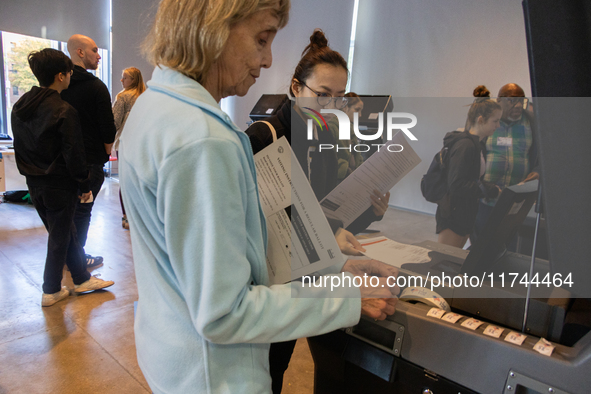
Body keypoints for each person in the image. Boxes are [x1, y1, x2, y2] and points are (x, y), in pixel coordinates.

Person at [119, 2, 398, 393]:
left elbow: (246, 243)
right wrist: (345, 297)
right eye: (262, 39)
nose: (268, 60)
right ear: (213, 29)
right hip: (217, 375)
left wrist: (332, 268)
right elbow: (225, 312)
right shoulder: (204, 140)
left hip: (173, 351)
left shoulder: (156, 106)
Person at [246, 30, 391, 393]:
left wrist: (368, 214)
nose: (331, 105)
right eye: (322, 95)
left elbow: (326, 213)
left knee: (281, 363)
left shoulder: (324, 139)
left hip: (307, 275)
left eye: (339, 97)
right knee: (262, 370)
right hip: (269, 286)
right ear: (296, 88)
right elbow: (259, 224)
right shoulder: (263, 137)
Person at [11, 48, 114, 307]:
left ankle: (80, 278)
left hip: (34, 183)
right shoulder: (63, 110)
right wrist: (83, 184)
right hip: (59, 184)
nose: (70, 77)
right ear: (60, 76)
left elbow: (20, 147)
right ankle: (51, 290)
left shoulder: (20, 106)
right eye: (69, 73)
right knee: (59, 237)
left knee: (65, 232)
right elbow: (73, 153)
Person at [61, 34, 117, 268]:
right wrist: (104, 155)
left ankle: (65, 257)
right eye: (94, 50)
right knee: (83, 211)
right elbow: (107, 129)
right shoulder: (96, 86)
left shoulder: (58, 87)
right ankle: (76, 259)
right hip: (89, 162)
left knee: (66, 212)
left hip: (62, 162)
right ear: (80, 52)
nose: (99, 54)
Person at [471, 83, 539, 244]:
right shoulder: (485, 120)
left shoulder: (532, 123)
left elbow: (543, 156)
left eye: (521, 101)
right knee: (482, 243)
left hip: (516, 199)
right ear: (499, 100)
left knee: (510, 244)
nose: (517, 106)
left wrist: (537, 171)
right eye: (511, 101)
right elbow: (471, 152)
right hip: (485, 198)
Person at [436, 86, 502, 248]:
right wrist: (489, 189)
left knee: (453, 262)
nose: (498, 125)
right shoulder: (465, 145)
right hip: (454, 214)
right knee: (444, 263)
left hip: (465, 212)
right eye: (495, 121)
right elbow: (456, 184)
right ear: (480, 120)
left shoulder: (477, 144)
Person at [112, 67, 146, 229]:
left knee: (125, 181)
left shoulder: (123, 97)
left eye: (124, 77)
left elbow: (115, 122)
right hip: (143, 144)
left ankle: (127, 217)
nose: (121, 80)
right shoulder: (146, 97)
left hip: (125, 144)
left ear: (133, 80)